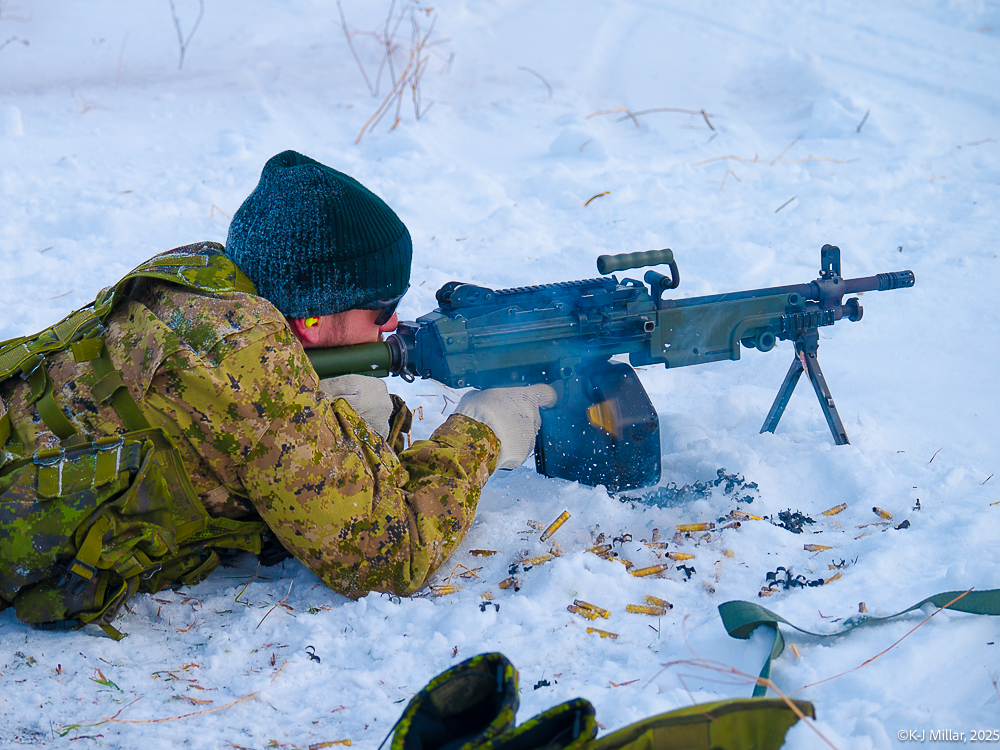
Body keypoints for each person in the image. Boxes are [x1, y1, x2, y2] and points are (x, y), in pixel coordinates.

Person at [0, 151, 553, 633]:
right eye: (381, 309)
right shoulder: (249, 371)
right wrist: (484, 429)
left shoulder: (200, 278)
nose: (392, 325)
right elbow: (390, 557)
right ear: (311, 321)